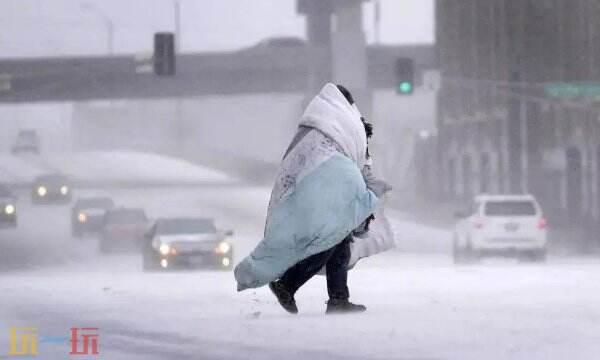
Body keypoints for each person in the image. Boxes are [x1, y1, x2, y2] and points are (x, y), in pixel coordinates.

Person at [234, 83, 390, 314]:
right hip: (326, 194)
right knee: (329, 241)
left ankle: (338, 299)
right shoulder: (343, 124)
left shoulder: (314, 128)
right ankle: (288, 284)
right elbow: (353, 158)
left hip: (315, 194)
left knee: (339, 243)